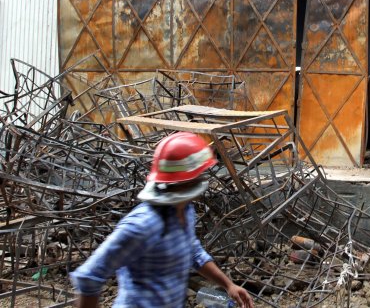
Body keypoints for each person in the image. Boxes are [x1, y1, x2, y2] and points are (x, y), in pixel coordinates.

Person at [71, 132, 254, 308]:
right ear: (188, 181)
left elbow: (193, 252)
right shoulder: (143, 225)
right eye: (201, 173)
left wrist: (229, 285)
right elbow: (89, 276)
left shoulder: (184, 210)